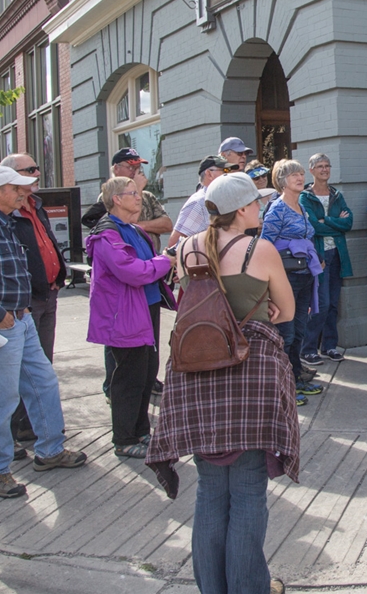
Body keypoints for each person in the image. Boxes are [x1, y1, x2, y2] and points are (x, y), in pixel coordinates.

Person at [145, 172, 298, 594]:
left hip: (195, 376)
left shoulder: (188, 248)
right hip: (248, 378)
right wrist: (258, 307)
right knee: (248, 489)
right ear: (244, 209)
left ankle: (213, 587)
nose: (262, 208)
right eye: (257, 203)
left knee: (211, 491)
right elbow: (286, 311)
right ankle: (250, 588)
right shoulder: (259, 249)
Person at [0, 165, 87, 500]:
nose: (24, 192)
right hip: (4, 322)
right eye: (17, 188)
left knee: (43, 382)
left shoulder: (3, 221)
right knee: (0, 398)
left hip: (19, 318)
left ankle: (50, 450)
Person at [86, 177, 175, 459]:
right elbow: (132, 270)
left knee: (147, 372)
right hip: (123, 313)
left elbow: (146, 267)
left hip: (145, 307)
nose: (139, 198)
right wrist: (165, 261)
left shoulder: (134, 229)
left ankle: (141, 431)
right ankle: (124, 439)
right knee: (128, 378)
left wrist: (163, 262)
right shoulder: (108, 233)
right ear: (117, 199)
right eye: (133, 194)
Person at [0, 154, 67, 447]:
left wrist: (58, 275)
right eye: (30, 170)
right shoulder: (3, 215)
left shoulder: (36, 206)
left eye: (37, 168)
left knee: (42, 367)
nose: (37, 173)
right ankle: (12, 433)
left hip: (47, 293)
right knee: (18, 370)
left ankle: (31, 427)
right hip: (24, 301)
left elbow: (46, 242)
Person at [263, 160, 324, 400]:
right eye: (293, 175)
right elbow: (265, 244)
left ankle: (296, 377)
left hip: (304, 276)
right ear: (282, 181)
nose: (300, 177)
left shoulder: (301, 206)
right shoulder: (277, 209)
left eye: (300, 173)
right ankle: (282, 387)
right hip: (285, 278)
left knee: (299, 330)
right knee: (285, 333)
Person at [300, 153, 352, 365]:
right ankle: (308, 348)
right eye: (320, 166)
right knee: (321, 303)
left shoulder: (336, 195)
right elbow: (313, 226)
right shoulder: (305, 197)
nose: (324, 169)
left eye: (327, 166)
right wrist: (334, 225)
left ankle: (329, 346)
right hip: (319, 256)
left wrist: (328, 220)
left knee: (333, 304)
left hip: (337, 254)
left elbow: (348, 223)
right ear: (311, 170)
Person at [82, 148, 172, 249]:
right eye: (131, 167)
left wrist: (140, 226)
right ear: (116, 169)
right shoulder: (108, 196)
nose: (136, 172)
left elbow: (167, 225)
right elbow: (125, 224)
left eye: (138, 168)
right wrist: (137, 188)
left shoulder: (147, 196)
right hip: (127, 256)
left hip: (152, 257)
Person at [168, 155, 229, 246]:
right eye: (225, 171)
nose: (228, 174)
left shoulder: (221, 198)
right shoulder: (198, 203)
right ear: (209, 174)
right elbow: (174, 245)